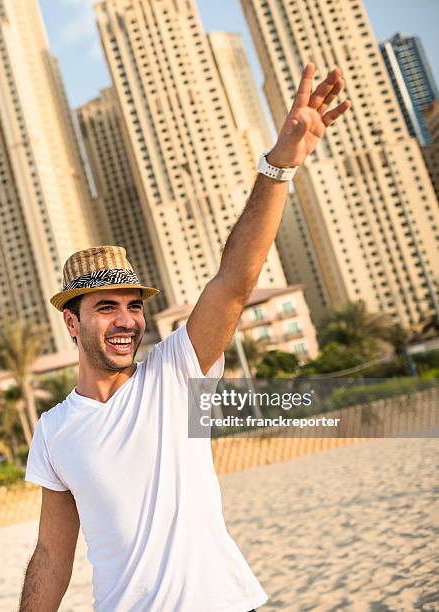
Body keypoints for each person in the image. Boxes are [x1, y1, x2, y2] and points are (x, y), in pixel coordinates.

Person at [18, 63, 350, 611]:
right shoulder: (54, 431)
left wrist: (279, 166)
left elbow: (234, 281)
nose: (127, 320)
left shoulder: (175, 371)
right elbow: (51, 556)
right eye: (106, 308)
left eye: (132, 306)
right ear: (72, 324)